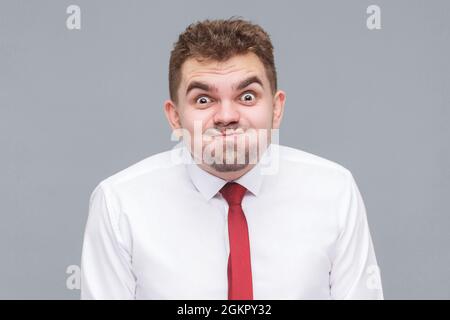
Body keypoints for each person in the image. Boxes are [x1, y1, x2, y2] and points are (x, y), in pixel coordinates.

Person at [80, 17, 384, 300]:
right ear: (175, 117)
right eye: (203, 99)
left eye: (247, 96)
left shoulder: (334, 191)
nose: (226, 116)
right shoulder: (119, 203)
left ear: (276, 108)